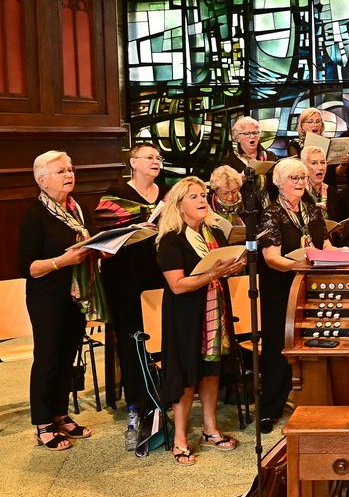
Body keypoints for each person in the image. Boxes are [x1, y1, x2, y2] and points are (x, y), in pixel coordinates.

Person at [156, 177, 245, 465]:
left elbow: (216, 269)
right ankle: (180, 439)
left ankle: (210, 429)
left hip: (213, 311)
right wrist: (214, 275)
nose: (202, 200)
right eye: (193, 197)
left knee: (211, 370)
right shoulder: (171, 239)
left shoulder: (213, 233)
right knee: (186, 374)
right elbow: (178, 285)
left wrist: (231, 267)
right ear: (179, 206)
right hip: (185, 317)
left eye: (203, 195)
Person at [19, 151, 104, 451]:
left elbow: (89, 241)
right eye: (60, 171)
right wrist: (62, 261)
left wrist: (101, 249)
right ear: (42, 180)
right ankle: (43, 422)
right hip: (47, 298)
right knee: (48, 358)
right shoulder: (35, 215)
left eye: (70, 169)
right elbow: (27, 268)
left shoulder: (77, 209)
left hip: (74, 296)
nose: (69, 175)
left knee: (69, 355)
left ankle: (60, 413)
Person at [257, 158, 333, 433]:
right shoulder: (271, 214)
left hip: (310, 286)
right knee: (279, 349)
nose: (301, 183)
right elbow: (272, 259)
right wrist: (300, 264)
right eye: (294, 178)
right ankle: (270, 409)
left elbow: (325, 245)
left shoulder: (312, 210)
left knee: (313, 344)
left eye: (303, 178)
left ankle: (313, 402)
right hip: (280, 291)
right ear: (279, 182)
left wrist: (341, 256)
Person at [94, 143, 168, 414]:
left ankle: (163, 390)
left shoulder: (167, 193)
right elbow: (103, 235)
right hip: (125, 275)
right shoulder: (116, 194)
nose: (155, 161)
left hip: (158, 272)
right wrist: (134, 227)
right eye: (149, 157)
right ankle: (138, 396)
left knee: (160, 333)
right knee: (133, 335)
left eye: (158, 158)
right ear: (133, 163)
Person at [221, 116, 278, 211]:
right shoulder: (229, 161)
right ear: (237, 138)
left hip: (271, 209)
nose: (252, 136)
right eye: (247, 134)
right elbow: (224, 189)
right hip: (245, 209)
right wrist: (241, 177)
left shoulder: (270, 156)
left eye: (255, 133)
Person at [301, 144, 342, 221]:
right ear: (304, 167)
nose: (320, 167)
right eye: (314, 163)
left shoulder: (331, 191)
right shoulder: (299, 192)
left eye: (323, 162)